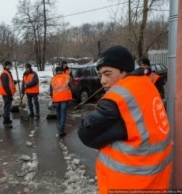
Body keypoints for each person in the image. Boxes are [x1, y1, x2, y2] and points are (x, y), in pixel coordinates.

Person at [78, 45, 172, 193]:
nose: (102, 80)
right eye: (100, 74)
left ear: (125, 71)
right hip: (156, 183)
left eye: (108, 73)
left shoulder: (117, 101)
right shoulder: (146, 85)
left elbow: (85, 134)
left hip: (126, 184)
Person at [50, 66, 72, 137]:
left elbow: (51, 90)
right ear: (62, 70)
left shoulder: (53, 79)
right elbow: (71, 85)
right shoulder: (67, 77)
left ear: (56, 71)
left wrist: (52, 98)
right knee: (63, 114)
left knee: (58, 113)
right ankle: (61, 130)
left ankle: (60, 126)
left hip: (56, 99)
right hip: (64, 98)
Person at [0, 60, 16, 128]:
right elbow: (5, 85)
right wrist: (9, 95)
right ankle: (6, 121)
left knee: (8, 106)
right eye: (10, 65)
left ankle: (7, 119)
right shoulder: (5, 73)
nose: (11, 66)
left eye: (11, 65)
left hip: (7, 93)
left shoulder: (7, 72)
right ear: (7, 65)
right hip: (6, 93)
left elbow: (9, 82)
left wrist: (14, 82)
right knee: (7, 107)